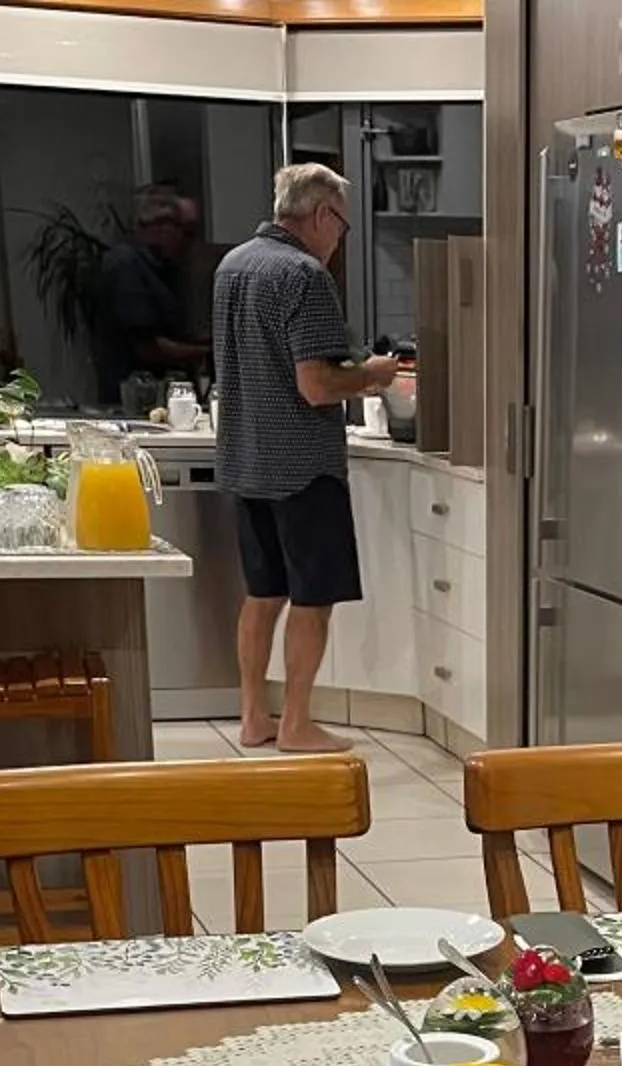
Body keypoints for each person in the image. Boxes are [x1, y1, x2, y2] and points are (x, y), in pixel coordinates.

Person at [212, 163, 400, 751]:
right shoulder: (304, 275)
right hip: (304, 468)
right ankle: (295, 723)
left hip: (247, 459)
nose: (338, 241)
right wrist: (371, 376)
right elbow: (316, 385)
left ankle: (252, 717)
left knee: (262, 594)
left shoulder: (233, 265)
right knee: (312, 600)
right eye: (340, 227)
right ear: (321, 215)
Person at [91, 187, 215, 406]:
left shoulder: (161, 269)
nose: (188, 243)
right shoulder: (127, 265)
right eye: (185, 232)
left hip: (155, 399)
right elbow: (147, 348)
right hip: (133, 401)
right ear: (162, 228)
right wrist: (205, 352)